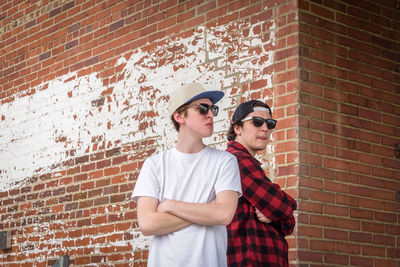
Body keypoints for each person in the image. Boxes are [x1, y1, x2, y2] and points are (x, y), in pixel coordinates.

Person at [131, 83, 242, 267]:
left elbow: (223, 214)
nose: (211, 114)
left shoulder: (225, 161)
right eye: (203, 108)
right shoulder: (155, 165)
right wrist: (207, 211)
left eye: (212, 108)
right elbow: (148, 224)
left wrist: (169, 205)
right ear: (179, 116)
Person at [225, 100, 297, 267]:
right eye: (257, 122)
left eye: (270, 123)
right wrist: (286, 209)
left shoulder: (251, 165)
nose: (265, 128)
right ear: (237, 128)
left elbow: (288, 222)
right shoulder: (234, 161)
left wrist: (276, 218)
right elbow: (281, 206)